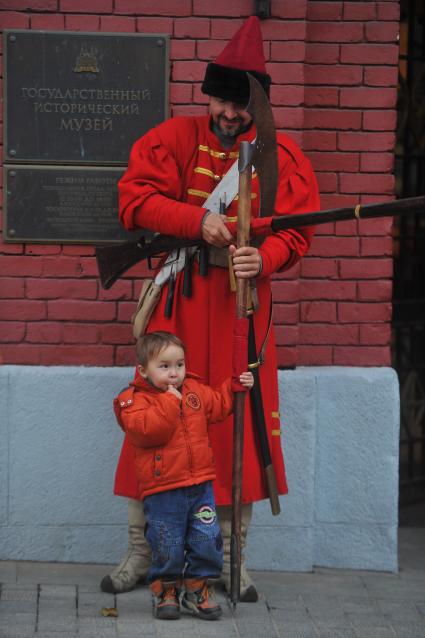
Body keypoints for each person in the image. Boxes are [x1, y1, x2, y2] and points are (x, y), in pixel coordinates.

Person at [101, 15, 320, 601]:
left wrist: (265, 258)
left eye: (241, 106)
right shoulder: (172, 138)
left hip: (242, 316)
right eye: (222, 102)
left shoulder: (282, 156)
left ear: (259, 107)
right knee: (156, 425)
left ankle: (230, 559)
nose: (230, 115)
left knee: (235, 429)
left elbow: (296, 234)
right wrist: (197, 220)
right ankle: (143, 551)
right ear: (210, 98)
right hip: (179, 308)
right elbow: (134, 201)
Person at [114, 331, 254, 620]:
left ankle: (198, 589)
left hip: (200, 485)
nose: (174, 373)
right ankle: (166, 590)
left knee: (207, 540)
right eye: (164, 367)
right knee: (167, 543)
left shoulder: (194, 392)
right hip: (163, 490)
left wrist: (236, 385)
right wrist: (169, 401)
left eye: (179, 365)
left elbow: (219, 405)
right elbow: (149, 430)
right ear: (144, 370)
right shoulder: (133, 401)